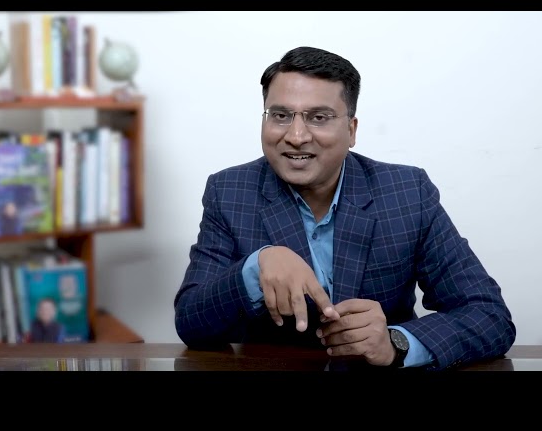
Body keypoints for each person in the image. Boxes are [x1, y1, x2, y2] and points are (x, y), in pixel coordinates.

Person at [173, 46, 516, 371]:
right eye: (280, 115)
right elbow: (191, 321)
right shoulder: (229, 191)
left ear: (351, 130)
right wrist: (254, 267)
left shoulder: (408, 192)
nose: (296, 135)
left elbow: (489, 315)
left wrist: (395, 343)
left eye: (318, 117)